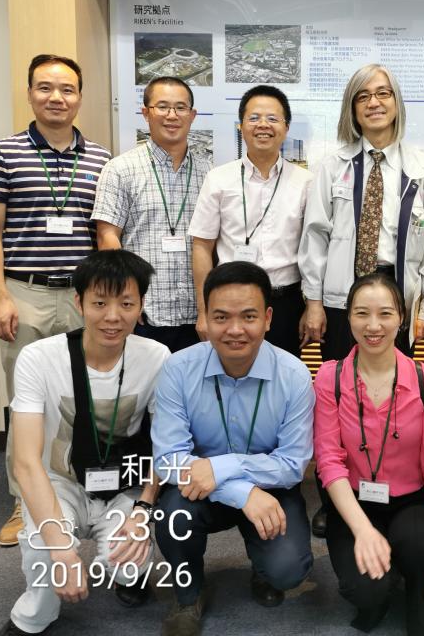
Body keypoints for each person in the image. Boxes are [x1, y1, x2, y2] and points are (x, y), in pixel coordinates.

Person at [0, 250, 169, 636]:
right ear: (79, 302)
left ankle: (132, 576)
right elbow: (25, 461)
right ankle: (33, 617)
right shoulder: (39, 358)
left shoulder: (157, 357)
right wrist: (60, 546)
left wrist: (143, 510)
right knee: (46, 553)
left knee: (128, 562)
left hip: (124, 482)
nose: (113, 316)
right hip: (60, 480)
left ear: (141, 306)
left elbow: (166, 445)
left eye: (126, 304)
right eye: (100, 303)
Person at [0, 53, 111, 546]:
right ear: (30, 93)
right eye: (46, 88)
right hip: (25, 292)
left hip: (81, 298)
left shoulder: (100, 159)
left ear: (80, 96)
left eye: (67, 89)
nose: (57, 97)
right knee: (28, 402)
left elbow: (102, 233)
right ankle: (23, 501)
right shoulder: (2, 153)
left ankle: (76, 490)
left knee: (81, 398)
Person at [152, 261, 314, 636]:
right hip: (200, 490)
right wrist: (241, 492)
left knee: (288, 570)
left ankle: (263, 568)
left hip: (270, 488)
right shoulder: (178, 369)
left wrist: (220, 468)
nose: (235, 330)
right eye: (222, 317)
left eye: (249, 317)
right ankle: (188, 594)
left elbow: (292, 465)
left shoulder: (293, 375)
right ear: (206, 317)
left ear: (268, 318)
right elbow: (168, 460)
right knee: (173, 514)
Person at [314, 273, 424, 635]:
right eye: (362, 313)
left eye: (385, 313)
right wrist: (362, 530)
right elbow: (329, 462)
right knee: (364, 589)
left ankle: (415, 590)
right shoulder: (330, 378)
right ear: (348, 317)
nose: (373, 326)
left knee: (423, 552)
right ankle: (382, 591)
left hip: (412, 500)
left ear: (401, 318)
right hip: (354, 501)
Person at [299, 62, 424, 360]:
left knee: (392, 381)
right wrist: (314, 302)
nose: (373, 103)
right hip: (342, 296)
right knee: (341, 376)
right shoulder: (333, 166)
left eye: (383, 93)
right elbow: (315, 236)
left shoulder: (423, 169)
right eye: (363, 96)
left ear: (396, 102)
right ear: (352, 108)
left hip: (397, 298)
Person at [190, 85, 312, 357]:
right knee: (228, 374)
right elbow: (201, 246)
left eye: (273, 118)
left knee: (281, 375)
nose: (263, 125)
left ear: (286, 128)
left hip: (286, 303)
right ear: (241, 126)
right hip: (230, 302)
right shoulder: (218, 179)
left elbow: (314, 249)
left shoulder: (306, 182)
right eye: (254, 118)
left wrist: (312, 306)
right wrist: (204, 311)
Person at [92, 76, 211, 353]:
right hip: (144, 315)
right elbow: (107, 237)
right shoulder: (120, 169)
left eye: (180, 107)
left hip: (197, 317)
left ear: (192, 115)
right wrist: (125, 302)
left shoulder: (209, 173)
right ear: (146, 113)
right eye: (163, 107)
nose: (172, 115)